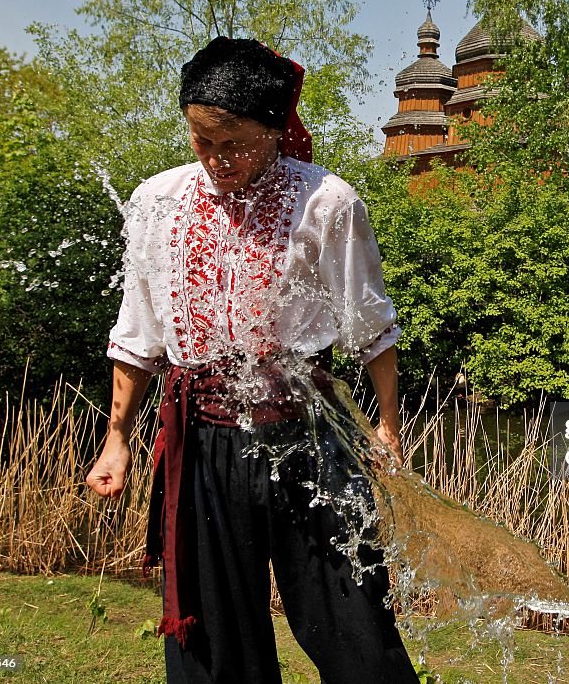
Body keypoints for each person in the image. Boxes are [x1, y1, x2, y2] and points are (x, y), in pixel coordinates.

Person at [85, 37, 417, 683]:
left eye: (232, 142)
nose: (216, 159)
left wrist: (387, 428)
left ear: (274, 129)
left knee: (355, 625)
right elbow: (139, 332)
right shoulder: (156, 201)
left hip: (310, 440)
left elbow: (371, 325)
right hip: (202, 445)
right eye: (201, 141)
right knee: (211, 640)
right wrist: (116, 439)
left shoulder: (328, 202)